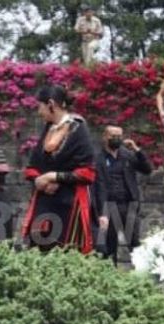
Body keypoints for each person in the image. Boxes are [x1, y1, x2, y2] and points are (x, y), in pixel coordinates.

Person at [20, 85, 97, 254]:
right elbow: (32, 166)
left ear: (51, 104)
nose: (39, 111)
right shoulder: (48, 128)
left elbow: (87, 172)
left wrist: (54, 176)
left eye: (40, 106)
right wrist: (41, 181)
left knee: (65, 253)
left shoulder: (78, 129)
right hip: (44, 203)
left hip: (68, 205)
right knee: (39, 252)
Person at [94, 126, 152, 263]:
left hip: (129, 205)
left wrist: (137, 149)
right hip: (109, 207)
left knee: (136, 244)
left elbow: (147, 169)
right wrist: (102, 213)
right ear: (105, 137)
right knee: (108, 247)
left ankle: (141, 277)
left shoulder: (127, 155)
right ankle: (110, 279)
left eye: (119, 136)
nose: (117, 139)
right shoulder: (99, 159)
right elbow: (99, 186)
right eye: (113, 136)